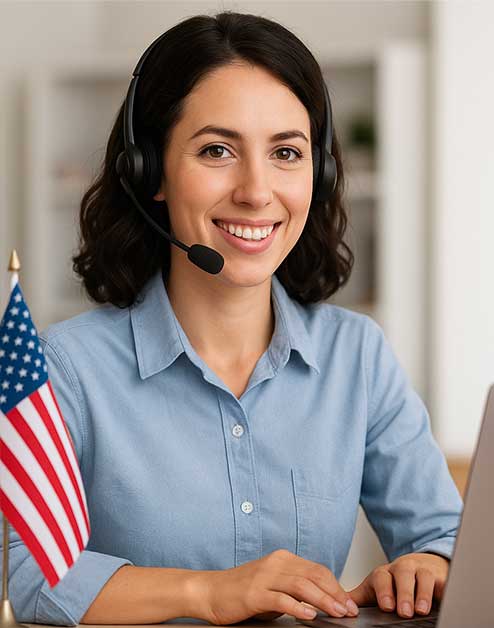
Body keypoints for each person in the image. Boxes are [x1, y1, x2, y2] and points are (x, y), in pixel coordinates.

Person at [7, 11, 462, 626]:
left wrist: (429, 565)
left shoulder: (358, 354)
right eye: (217, 150)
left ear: (319, 174)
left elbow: (443, 536)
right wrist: (211, 592)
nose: (256, 190)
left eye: (286, 152)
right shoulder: (62, 368)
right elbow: (33, 579)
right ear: (150, 171)